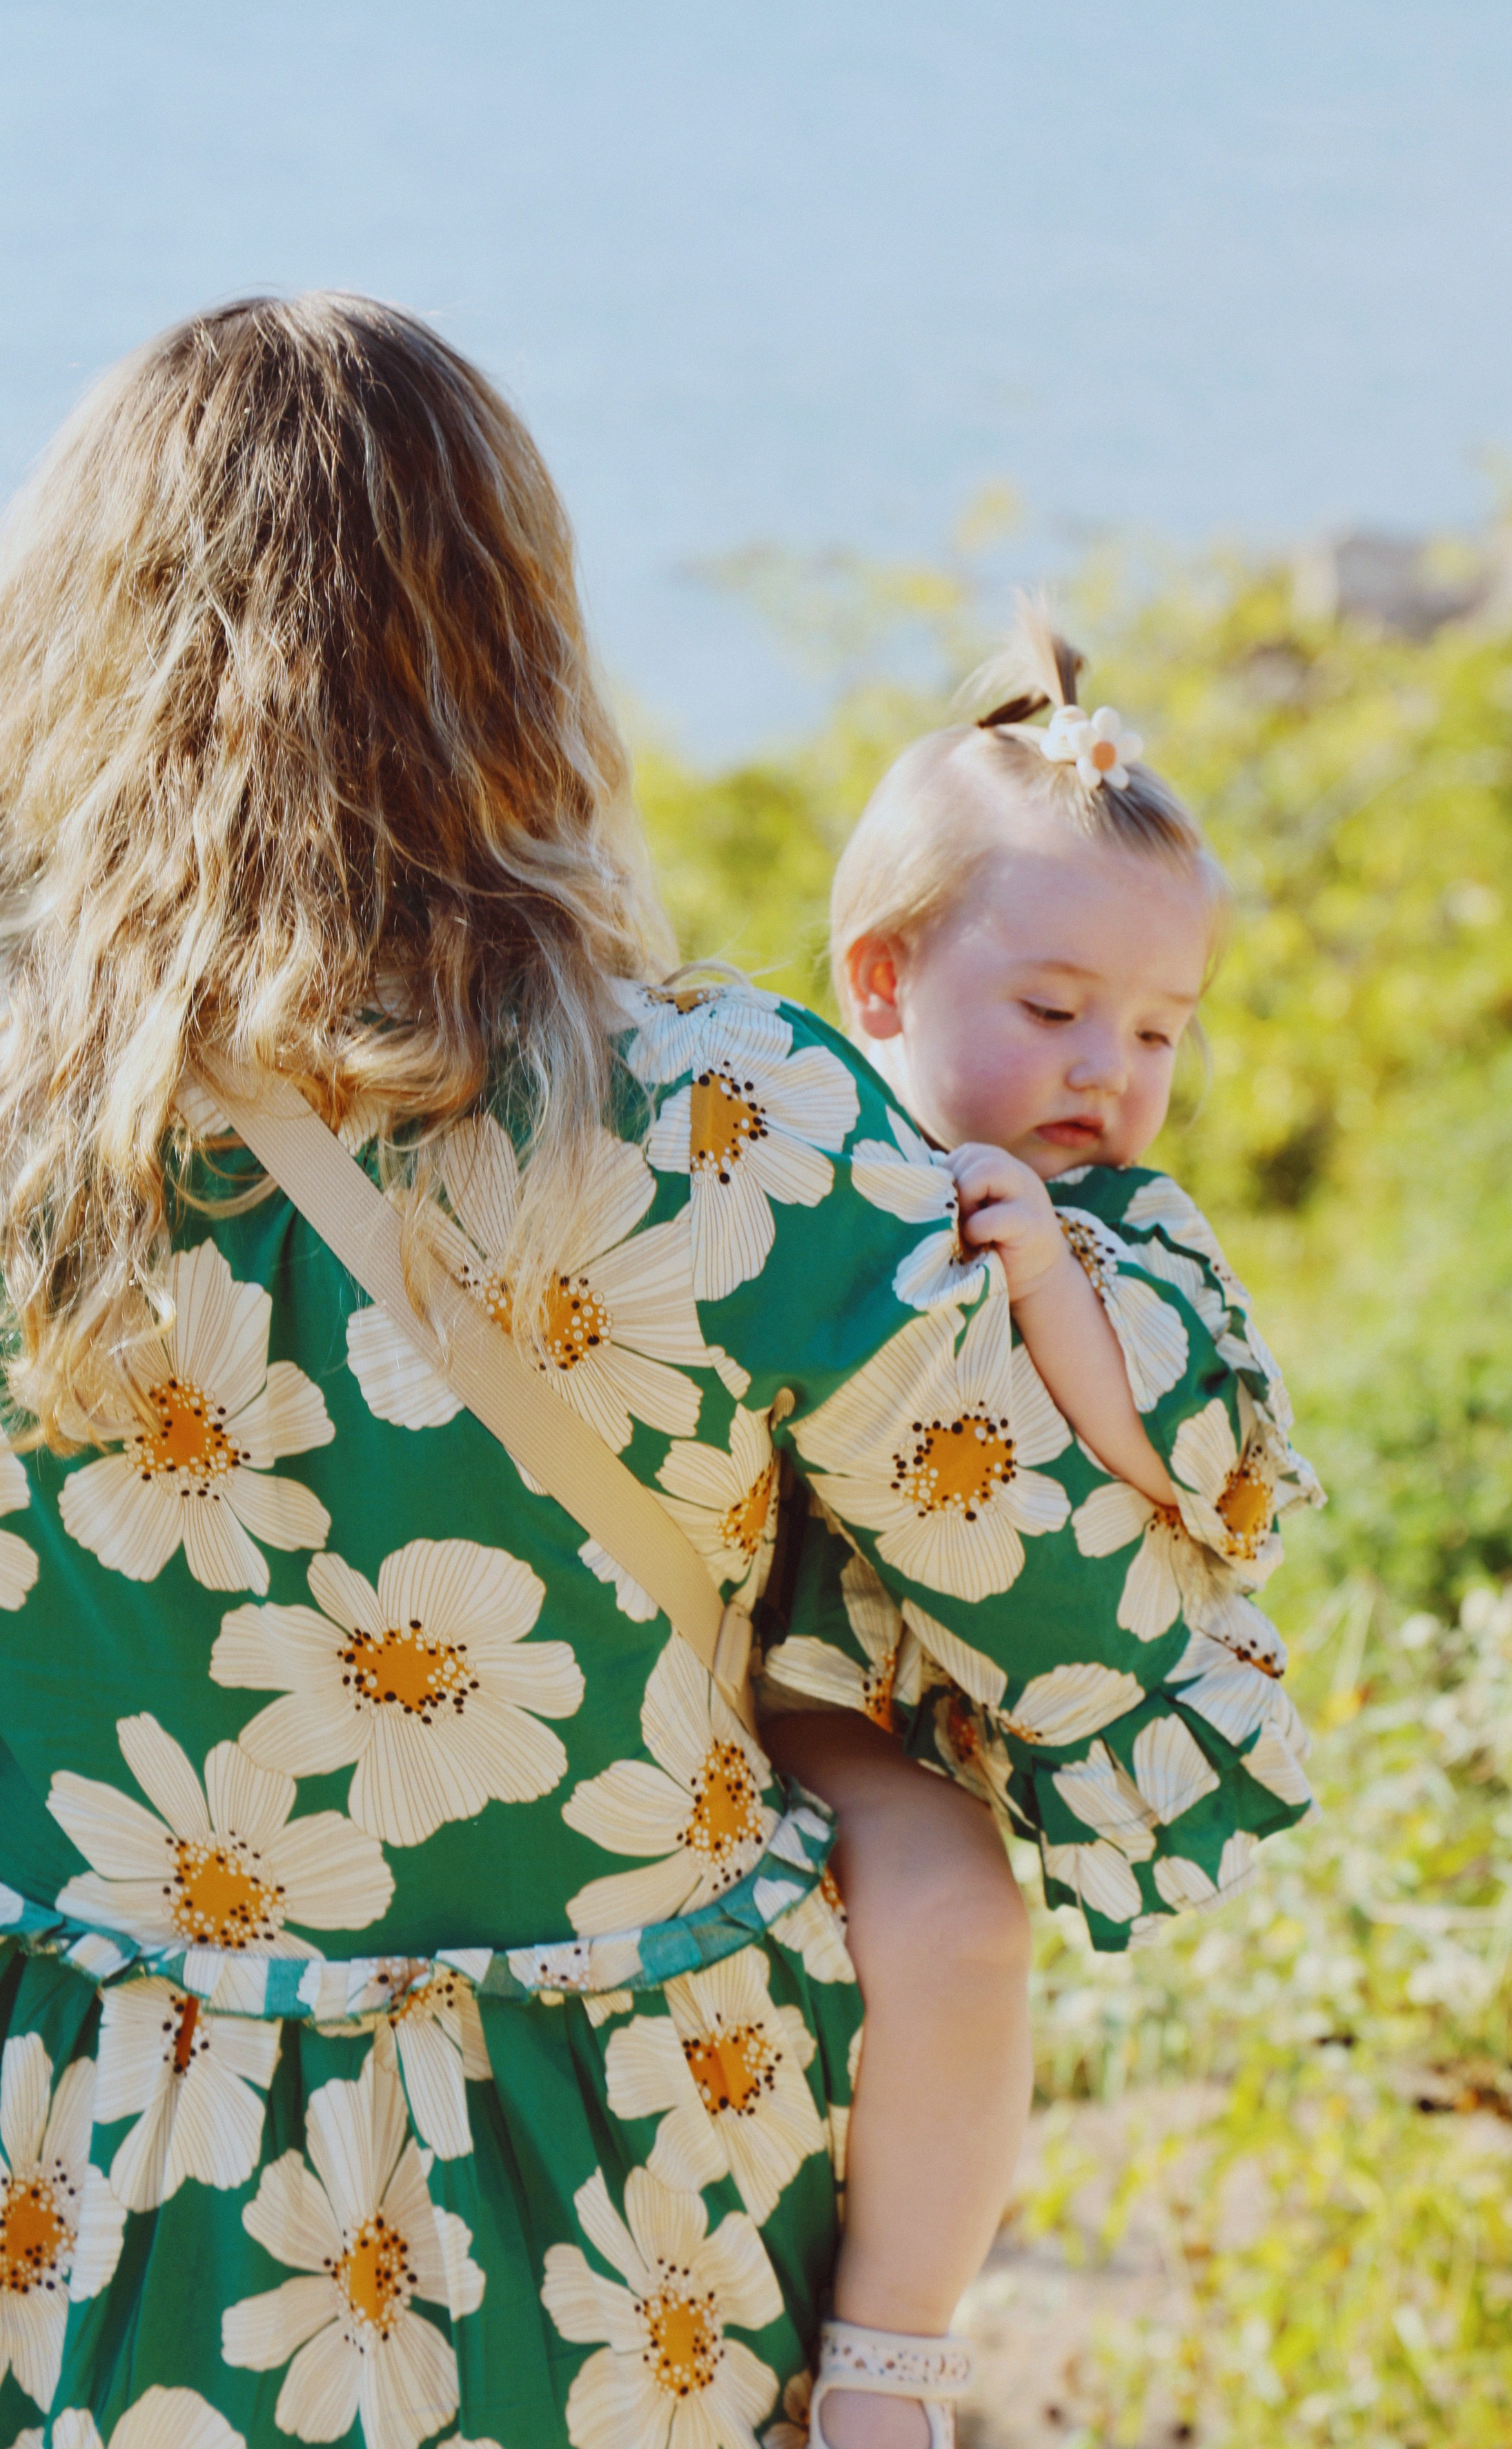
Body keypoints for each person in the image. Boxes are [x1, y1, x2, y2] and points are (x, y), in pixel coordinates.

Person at [0, 295, 1314, 2449]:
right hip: (624, 2228)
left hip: (81, 2196)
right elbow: (1099, 1636)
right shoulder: (742, 1126)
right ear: (518, 646)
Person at [759, 622, 1322, 2446]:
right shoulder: (790, 1160)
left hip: (877, 1709)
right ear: (883, 983)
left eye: (1160, 1031)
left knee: (960, 1919)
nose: (1111, 1071)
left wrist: (1050, 1270)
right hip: (687, 1668)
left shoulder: (1129, 1236)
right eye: (1057, 1009)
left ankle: (896, 2360)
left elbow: (1182, 1461)